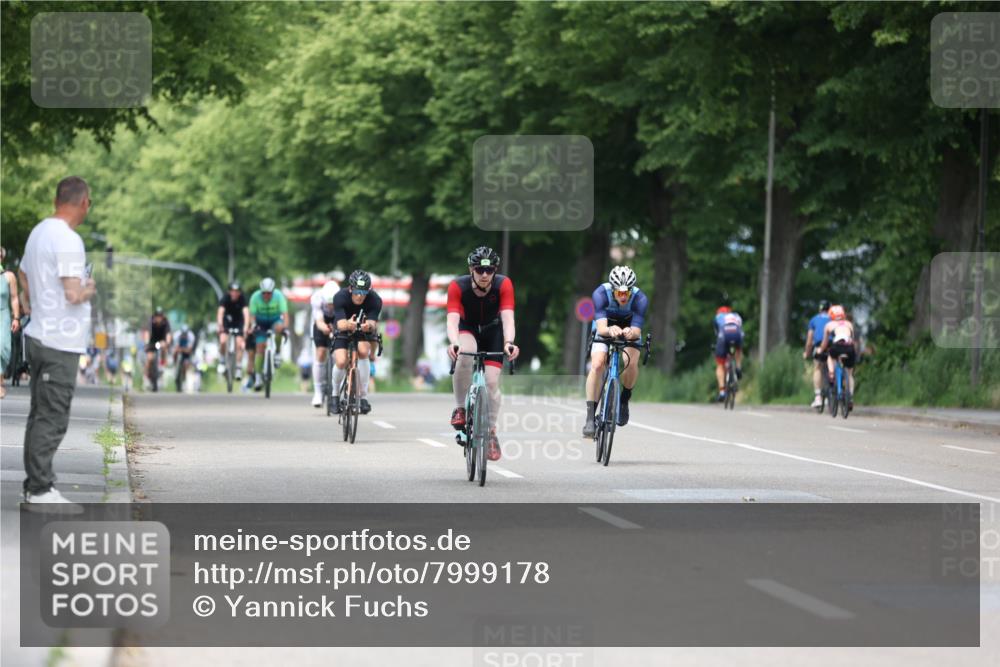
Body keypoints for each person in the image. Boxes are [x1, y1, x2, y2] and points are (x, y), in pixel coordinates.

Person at [18, 176, 97, 507]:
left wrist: (30, 302)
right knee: (52, 415)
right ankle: (40, 489)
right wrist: (88, 287)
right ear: (83, 203)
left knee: (40, 413)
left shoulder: (39, 232)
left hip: (40, 334)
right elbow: (72, 292)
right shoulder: (68, 240)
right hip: (59, 341)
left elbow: (22, 274)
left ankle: (35, 484)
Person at [446, 246, 519, 461]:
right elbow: (452, 320)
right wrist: (454, 343)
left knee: (491, 382)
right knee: (465, 353)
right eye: (480, 270)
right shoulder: (457, 286)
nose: (485, 275)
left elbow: (508, 318)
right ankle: (460, 408)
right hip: (467, 328)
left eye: (490, 270)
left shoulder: (503, 284)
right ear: (471, 269)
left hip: (493, 330)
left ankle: (491, 431)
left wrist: (509, 343)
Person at [582, 266, 648, 437]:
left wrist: (630, 332)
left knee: (631, 363)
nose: (624, 297)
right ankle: (590, 417)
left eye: (627, 292)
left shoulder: (640, 299)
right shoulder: (600, 294)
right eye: (620, 293)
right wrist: (610, 329)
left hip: (629, 327)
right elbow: (602, 327)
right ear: (613, 289)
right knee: (597, 365)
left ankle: (624, 399)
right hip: (605, 325)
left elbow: (637, 332)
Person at [330, 270, 382, 414]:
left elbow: (372, 323)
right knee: (341, 361)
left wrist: (368, 326)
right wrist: (348, 324)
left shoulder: (375, 300)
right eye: (357, 292)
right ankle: (334, 395)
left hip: (362, 329)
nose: (360, 296)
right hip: (344, 327)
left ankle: (363, 396)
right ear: (351, 289)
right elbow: (340, 324)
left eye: (364, 292)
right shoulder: (340, 297)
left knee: (364, 351)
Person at [246, 277, 289, 391]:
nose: (266, 295)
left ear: (273, 291)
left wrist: (285, 327)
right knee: (260, 347)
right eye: (264, 293)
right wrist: (254, 325)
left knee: (280, 328)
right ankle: (258, 377)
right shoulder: (255, 297)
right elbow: (252, 316)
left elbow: (285, 314)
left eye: (269, 293)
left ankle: (278, 352)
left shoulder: (279, 296)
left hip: (275, 320)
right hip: (261, 322)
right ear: (261, 292)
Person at [818, 304, 858, 411]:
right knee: (849, 374)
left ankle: (831, 373)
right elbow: (852, 339)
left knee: (830, 357)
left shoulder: (829, 325)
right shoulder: (849, 324)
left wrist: (819, 351)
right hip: (849, 347)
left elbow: (824, 343)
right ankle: (850, 398)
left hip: (837, 346)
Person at [309, 280, 339, 407]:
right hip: (321, 321)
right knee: (320, 352)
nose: (331, 305)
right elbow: (319, 321)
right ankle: (318, 392)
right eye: (329, 303)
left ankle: (336, 390)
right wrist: (325, 328)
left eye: (333, 303)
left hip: (338, 319)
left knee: (337, 356)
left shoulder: (342, 298)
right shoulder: (317, 298)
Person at [1, 246, 22, 399]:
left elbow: (14, 298)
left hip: (3, 315)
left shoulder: (9, 276)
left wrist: (16, 317)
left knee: (3, 348)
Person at [217, 281, 249, 382]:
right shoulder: (225, 298)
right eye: (232, 291)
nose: (234, 294)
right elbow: (220, 312)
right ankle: (222, 360)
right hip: (228, 320)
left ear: (239, 292)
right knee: (222, 340)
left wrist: (246, 327)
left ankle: (238, 367)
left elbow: (246, 313)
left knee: (239, 343)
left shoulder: (242, 298)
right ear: (229, 292)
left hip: (239, 320)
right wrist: (220, 325)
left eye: (237, 291)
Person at [803, 300, 831, 408]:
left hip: (819, 346)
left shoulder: (814, 320)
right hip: (832, 346)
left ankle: (818, 397)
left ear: (820, 309)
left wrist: (807, 352)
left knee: (818, 368)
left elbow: (810, 340)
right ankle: (831, 395)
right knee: (831, 367)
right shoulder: (832, 319)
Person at [713, 305, 744, 403]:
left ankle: (722, 392)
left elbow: (717, 334)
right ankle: (738, 368)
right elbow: (740, 327)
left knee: (720, 365)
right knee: (738, 350)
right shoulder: (736, 316)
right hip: (737, 333)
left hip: (724, 335)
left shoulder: (718, 317)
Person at [144, 307, 171, 388]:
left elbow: (168, 334)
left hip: (161, 341)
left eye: (160, 316)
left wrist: (167, 342)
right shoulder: (151, 322)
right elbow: (147, 332)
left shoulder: (166, 322)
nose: (158, 318)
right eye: (157, 316)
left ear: (162, 317)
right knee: (149, 358)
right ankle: (147, 377)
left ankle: (162, 365)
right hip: (151, 341)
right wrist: (147, 341)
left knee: (164, 348)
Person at [173, 324, 198, 392]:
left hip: (187, 353)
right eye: (183, 334)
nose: (184, 335)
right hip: (180, 350)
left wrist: (182, 349)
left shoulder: (191, 336)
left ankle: (184, 378)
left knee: (186, 364)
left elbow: (189, 350)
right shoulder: (176, 335)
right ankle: (175, 365)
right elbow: (176, 348)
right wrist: (181, 349)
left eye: (185, 334)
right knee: (174, 352)